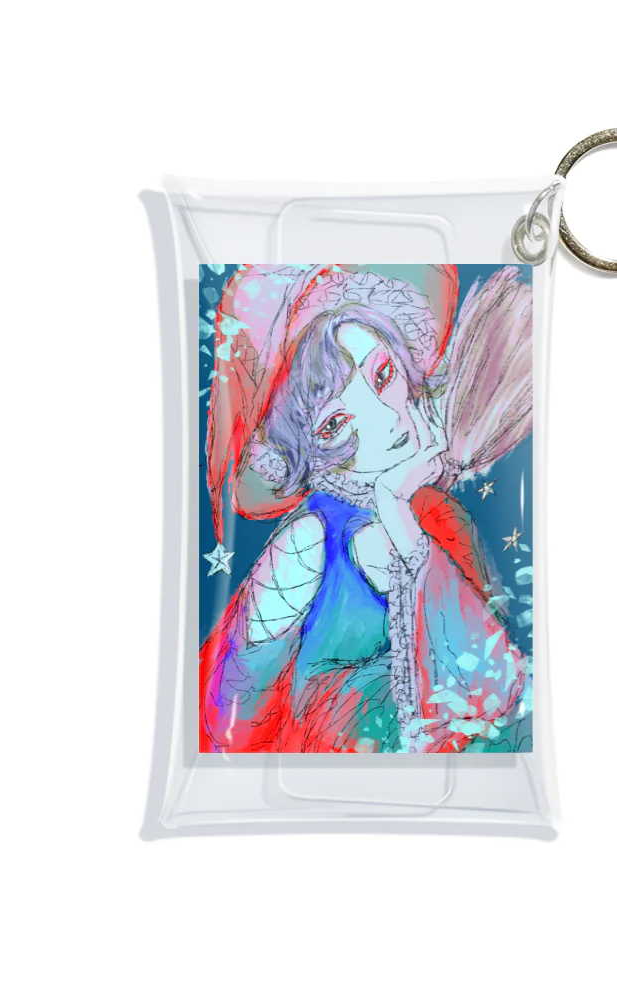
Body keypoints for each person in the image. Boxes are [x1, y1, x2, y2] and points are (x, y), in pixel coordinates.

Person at [199, 264, 534, 753]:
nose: (387, 420)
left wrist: (401, 516)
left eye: (383, 375)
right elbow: (232, 718)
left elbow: (497, 686)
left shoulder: (439, 514)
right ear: (305, 451)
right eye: (335, 423)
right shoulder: (308, 541)